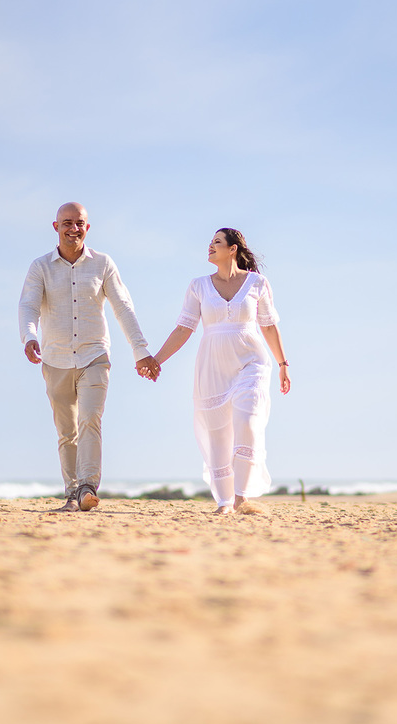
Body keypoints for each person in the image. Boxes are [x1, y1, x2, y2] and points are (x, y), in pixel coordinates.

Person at [18, 202, 161, 512]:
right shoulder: (40, 267)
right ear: (56, 227)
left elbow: (123, 307)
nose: (74, 228)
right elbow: (28, 306)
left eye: (80, 222)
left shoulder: (103, 264)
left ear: (88, 227)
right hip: (55, 359)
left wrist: (141, 351)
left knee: (90, 421)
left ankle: (87, 487)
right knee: (66, 430)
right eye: (67, 222)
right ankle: (71, 492)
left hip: (94, 356)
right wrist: (29, 336)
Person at [153, 228, 290, 514]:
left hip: (251, 362)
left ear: (233, 249)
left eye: (217, 242)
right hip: (212, 366)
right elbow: (183, 328)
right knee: (218, 434)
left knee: (248, 420)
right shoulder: (198, 286)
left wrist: (282, 364)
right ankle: (224, 501)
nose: (210, 247)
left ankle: (242, 496)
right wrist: (157, 360)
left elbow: (267, 325)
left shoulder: (257, 283)